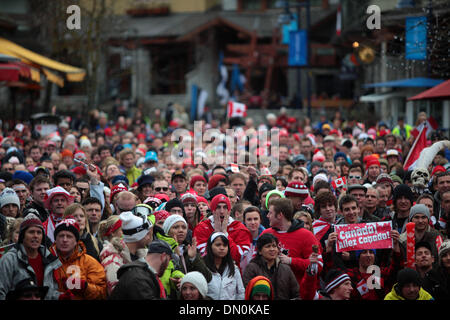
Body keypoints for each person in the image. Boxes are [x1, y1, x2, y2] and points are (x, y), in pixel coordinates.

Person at [261, 198, 322, 292]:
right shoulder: (266, 234)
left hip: (297, 293)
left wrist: (291, 261)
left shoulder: (306, 236)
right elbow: (255, 261)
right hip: (271, 292)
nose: (267, 216)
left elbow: (319, 265)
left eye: (270, 213)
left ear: (280, 215)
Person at [0, 214, 62, 300]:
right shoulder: (9, 259)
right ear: (22, 236)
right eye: (31, 232)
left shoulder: (50, 260)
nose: (35, 236)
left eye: (39, 232)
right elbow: (1, 292)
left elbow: (50, 293)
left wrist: (62, 297)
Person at [51, 217, 107, 299]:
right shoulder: (48, 261)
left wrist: (85, 287)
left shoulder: (90, 262)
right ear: (55, 239)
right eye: (61, 236)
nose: (65, 240)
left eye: (69, 236)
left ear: (76, 242)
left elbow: (102, 292)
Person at [194, 194, 252, 269]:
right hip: (208, 272)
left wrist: (225, 233)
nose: (222, 211)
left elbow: (238, 257)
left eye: (225, 207)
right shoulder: (201, 228)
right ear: (212, 210)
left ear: (229, 210)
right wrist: (216, 235)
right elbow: (204, 256)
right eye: (218, 207)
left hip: (232, 273)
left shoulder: (240, 228)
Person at [242, 233, 299, 300]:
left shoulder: (285, 269)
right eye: (268, 246)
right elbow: (247, 293)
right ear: (260, 251)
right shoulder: (252, 268)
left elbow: (297, 294)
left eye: (274, 246)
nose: (272, 249)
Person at [203, 232, 245, 300]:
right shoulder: (203, 267)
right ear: (210, 246)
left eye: (225, 245)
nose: (222, 248)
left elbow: (240, 293)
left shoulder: (233, 269)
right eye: (218, 245)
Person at [97, 215, 128, 295]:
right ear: (113, 233)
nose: (127, 233)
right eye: (123, 230)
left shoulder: (123, 253)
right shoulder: (111, 259)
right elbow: (115, 291)